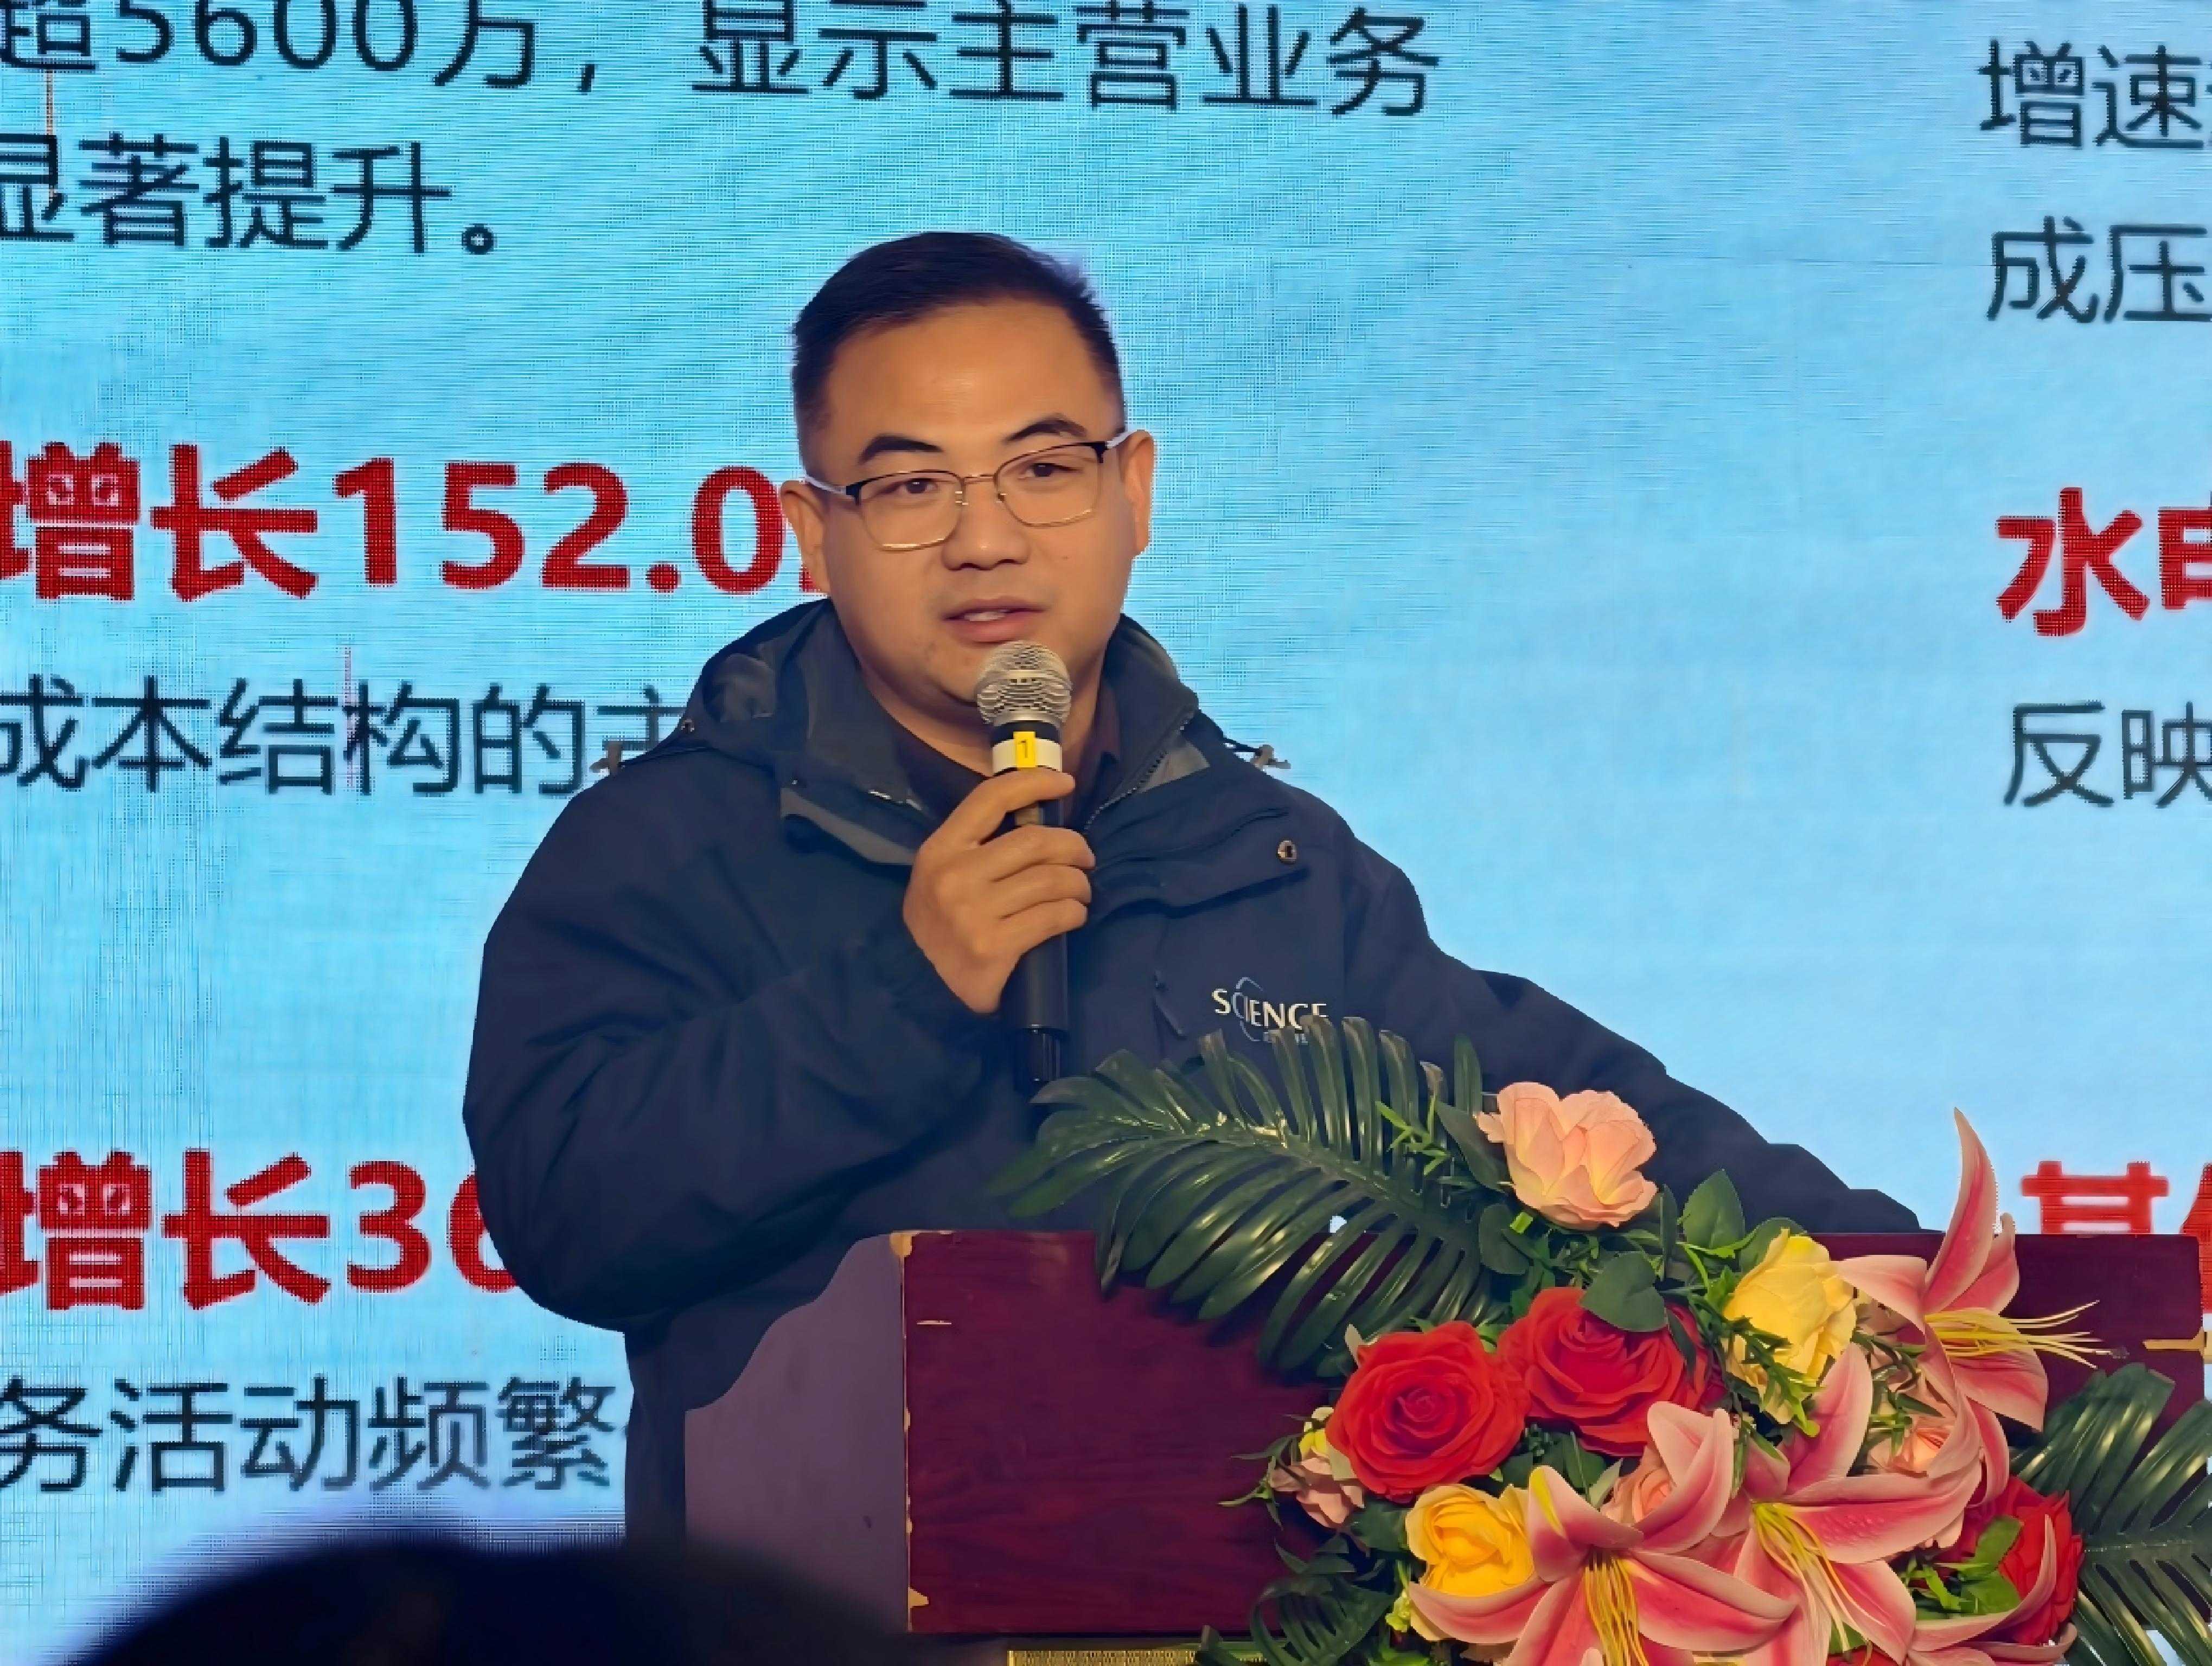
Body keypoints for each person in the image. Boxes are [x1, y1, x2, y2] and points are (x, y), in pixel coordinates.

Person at [462, 231, 1916, 1535]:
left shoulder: (1262, 856)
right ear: (812, 530)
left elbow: (1568, 1119)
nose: (986, 537)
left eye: (1044, 469)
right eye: (909, 486)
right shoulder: (671, 845)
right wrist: (903, 994)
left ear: (1134, 491)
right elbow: (566, 1215)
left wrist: (1916, 1291)